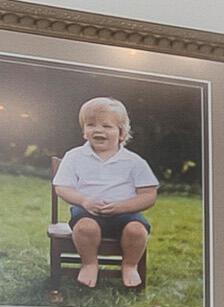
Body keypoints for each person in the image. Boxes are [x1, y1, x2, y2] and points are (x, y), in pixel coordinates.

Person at [52, 96, 158, 290]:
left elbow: (149, 194)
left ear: (122, 133)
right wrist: (84, 201)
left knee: (137, 231)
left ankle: (130, 265)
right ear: (84, 131)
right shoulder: (74, 156)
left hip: (125, 213)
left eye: (107, 126)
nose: (98, 130)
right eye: (91, 125)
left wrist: (122, 207)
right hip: (87, 212)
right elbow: (62, 187)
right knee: (85, 229)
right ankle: (89, 263)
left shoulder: (134, 161)